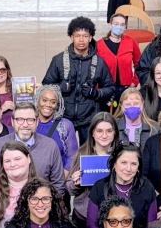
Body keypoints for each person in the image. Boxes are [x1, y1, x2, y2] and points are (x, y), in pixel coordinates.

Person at [43, 16, 115, 145]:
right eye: (77, 36)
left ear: (91, 37)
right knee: (61, 153)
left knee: (87, 154)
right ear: (71, 37)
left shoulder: (99, 62)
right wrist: (59, 88)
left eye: (85, 36)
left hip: (89, 119)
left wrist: (96, 93)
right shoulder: (58, 60)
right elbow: (45, 87)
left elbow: (110, 88)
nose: (81, 40)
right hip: (63, 117)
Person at [0, 103, 66, 196]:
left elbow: (58, 185)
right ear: (12, 121)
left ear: (37, 122)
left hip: (40, 205)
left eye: (30, 120)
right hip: (7, 205)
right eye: (20, 120)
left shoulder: (50, 146)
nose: (25, 124)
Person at [66, 112, 122, 228]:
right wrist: (75, 183)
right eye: (99, 131)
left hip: (114, 218)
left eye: (109, 131)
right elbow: (68, 188)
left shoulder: (121, 154)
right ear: (92, 133)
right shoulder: (82, 153)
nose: (104, 135)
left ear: (114, 133)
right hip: (83, 217)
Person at [87, 145, 157, 228]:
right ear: (114, 164)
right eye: (123, 163)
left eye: (133, 164)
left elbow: (151, 225)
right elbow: (91, 224)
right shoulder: (99, 187)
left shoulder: (147, 188)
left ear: (138, 167)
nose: (128, 169)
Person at [96, 13, 141, 104]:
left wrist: (134, 82)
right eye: (116, 24)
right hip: (105, 89)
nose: (119, 27)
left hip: (126, 89)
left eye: (122, 24)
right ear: (110, 25)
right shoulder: (99, 45)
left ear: (125, 27)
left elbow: (140, 64)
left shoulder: (130, 42)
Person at [34, 85, 78, 175]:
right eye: (44, 100)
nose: (48, 105)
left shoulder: (65, 125)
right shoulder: (29, 123)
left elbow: (72, 157)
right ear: (37, 100)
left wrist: (60, 181)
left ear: (57, 105)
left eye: (53, 102)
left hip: (57, 180)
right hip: (32, 179)